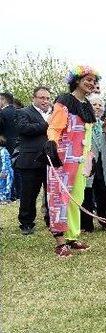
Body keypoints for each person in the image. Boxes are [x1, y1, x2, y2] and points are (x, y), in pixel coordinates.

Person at [44, 65, 99, 257]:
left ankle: (72, 237)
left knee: (76, 199)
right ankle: (60, 242)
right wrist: (51, 143)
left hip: (81, 161)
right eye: (88, 79)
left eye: (94, 80)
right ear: (77, 80)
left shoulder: (87, 106)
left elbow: (89, 135)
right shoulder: (64, 101)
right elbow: (54, 127)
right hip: (63, 159)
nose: (91, 83)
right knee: (59, 198)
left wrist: (90, 158)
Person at [80, 95, 106, 232]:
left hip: (104, 164)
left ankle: (104, 220)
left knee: (105, 192)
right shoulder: (82, 122)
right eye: (94, 104)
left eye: (100, 105)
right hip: (88, 163)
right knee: (87, 193)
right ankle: (86, 224)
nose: (97, 107)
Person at [15, 86, 51, 235]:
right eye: (42, 98)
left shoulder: (53, 113)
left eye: (48, 98)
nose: (45, 101)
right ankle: (26, 223)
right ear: (34, 98)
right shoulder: (23, 112)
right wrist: (46, 124)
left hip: (50, 161)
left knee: (51, 193)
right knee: (29, 194)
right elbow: (24, 129)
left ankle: (51, 220)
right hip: (30, 161)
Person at [0, 92, 20, 200]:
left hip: (6, 145)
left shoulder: (2, 113)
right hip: (20, 145)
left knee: (7, 169)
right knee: (18, 170)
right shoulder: (19, 112)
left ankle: (9, 193)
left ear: (3, 100)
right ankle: (19, 194)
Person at [0, 136, 13, 202]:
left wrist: (3, 171)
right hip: (4, 171)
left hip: (6, 171)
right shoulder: (2, 151)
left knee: (5, 184)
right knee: (4, 184)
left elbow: (4, 162)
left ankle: (5, 198)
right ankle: (3, 198)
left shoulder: (2, 151)